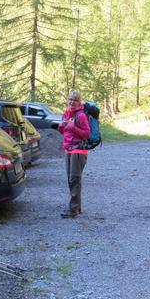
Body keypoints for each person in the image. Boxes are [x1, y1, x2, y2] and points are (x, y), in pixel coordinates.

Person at [58, 90, 90, 218]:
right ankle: (77, 208)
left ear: (79, 102)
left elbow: (87, 134)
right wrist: (61, 126)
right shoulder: (66, 114)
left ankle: (73, 210)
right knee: (71, 180)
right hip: (68, 150)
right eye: (70, 99)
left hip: (78, 151)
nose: (71, 102)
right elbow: (65, 132)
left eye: (74, 100)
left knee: (74, 179)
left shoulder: (81, 116)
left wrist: (72, 127)